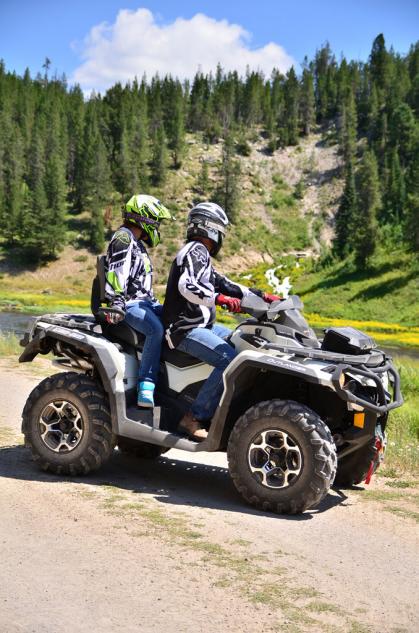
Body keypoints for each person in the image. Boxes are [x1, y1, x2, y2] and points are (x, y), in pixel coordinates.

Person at [162, 202, 281, 441]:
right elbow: (187, 286)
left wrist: (263, 296)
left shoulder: (202, 256)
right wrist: (219, 299)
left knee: (239, 341)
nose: (222, 239)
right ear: (210, 229)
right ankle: (194, 417)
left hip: (201, 327)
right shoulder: (193, 251)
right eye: (221, 232)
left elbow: (227, 284)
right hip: (183, 330)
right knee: (229, 358)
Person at [105, 194, 172, 408]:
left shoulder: (137, 244)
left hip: (146, 303)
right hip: (129, 305)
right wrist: (116, 301)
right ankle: (147, 385)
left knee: (176, 319)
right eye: (157, 221)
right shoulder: (123, 238)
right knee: (155, 329)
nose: (158, 226)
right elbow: (118, 271)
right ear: (145, 219)